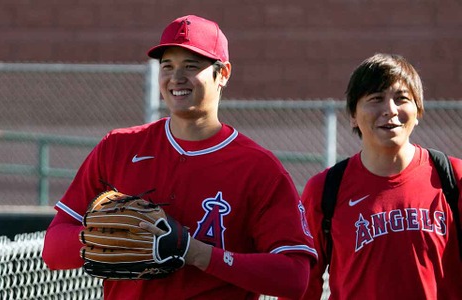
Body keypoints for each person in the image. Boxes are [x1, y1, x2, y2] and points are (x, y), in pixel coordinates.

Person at [42, 14, 317, 300]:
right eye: (167, 66)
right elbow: (52, 250)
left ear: (222, 74)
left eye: (191, 66)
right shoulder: (119, 147)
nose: (176, 78)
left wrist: (196, 253)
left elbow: (294, 276)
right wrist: (109, 237)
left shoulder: (259, 168)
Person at [300, 53, 462, 299]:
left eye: (402, 99)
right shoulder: (324, 190)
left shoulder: (453, 178)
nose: (390, 110)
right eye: (376, 99)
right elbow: (303, 283)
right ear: (353, 115)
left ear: (418, 111)